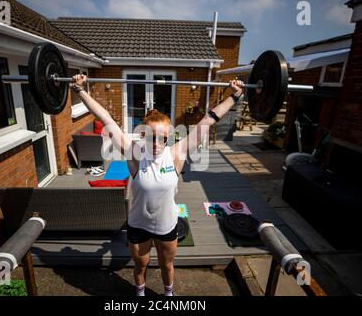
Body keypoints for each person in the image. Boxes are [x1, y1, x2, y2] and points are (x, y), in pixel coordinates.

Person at [72, 74, 243, 296]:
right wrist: (80, 90)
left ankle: (168, 295)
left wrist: (235, 97)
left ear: (169, 137)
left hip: (167, 225)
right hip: (138, 225)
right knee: (140, 266)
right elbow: (106, 119)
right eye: (150, 137)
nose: (156, 143)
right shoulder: (135, 153)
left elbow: (208, 121)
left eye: (161, 138)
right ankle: (141, 294)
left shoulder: (176, 153)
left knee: (166, 265)